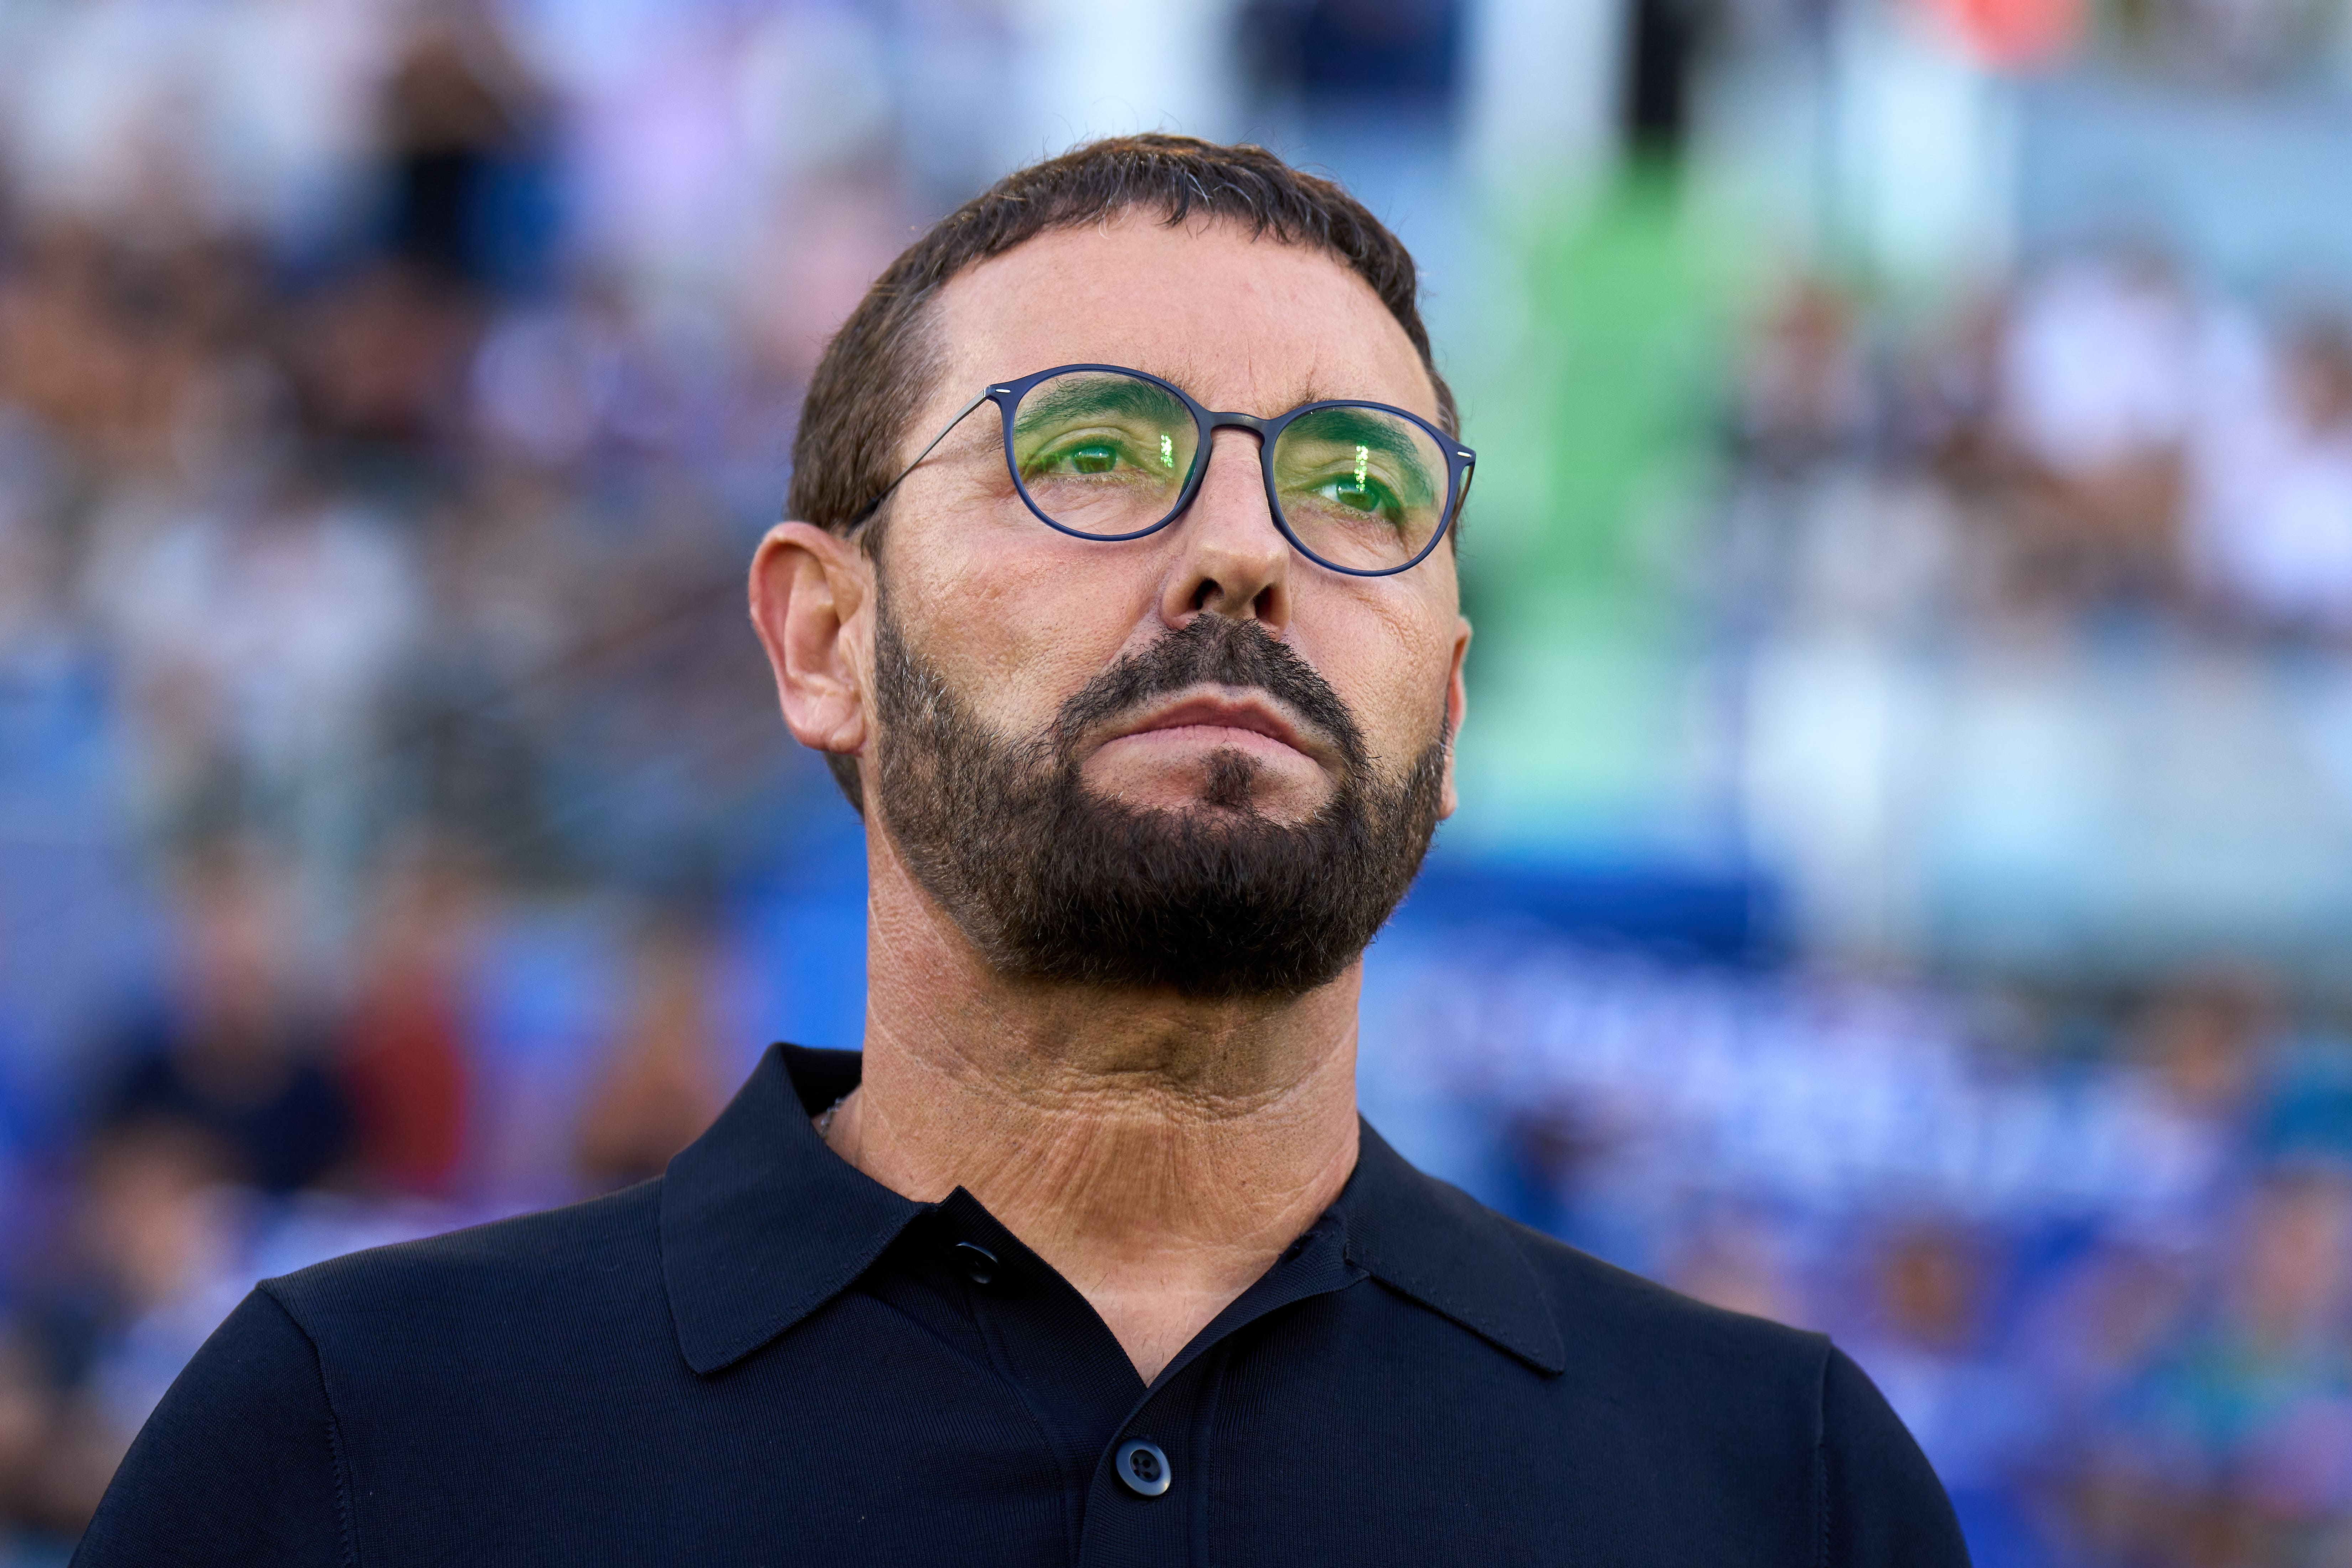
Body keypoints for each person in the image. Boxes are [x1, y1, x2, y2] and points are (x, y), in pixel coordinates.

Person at [74, 135, 1968, 1567]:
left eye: (1361, 484)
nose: (1248, 549)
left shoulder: (1778, 1487)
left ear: (1450, 712)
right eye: (1094, 450)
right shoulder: (355, 1440)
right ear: (827, 640)